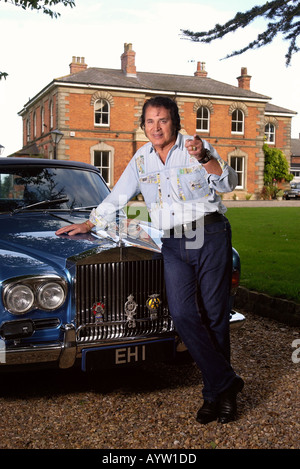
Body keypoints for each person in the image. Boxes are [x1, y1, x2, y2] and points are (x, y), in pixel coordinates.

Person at [56, 96, 244, 424]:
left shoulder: (196, 147)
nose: (156, 127)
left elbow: (227, 184)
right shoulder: (141, 159)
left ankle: (216, 396)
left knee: (215, 316)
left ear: (175, 122)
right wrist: (89, 223)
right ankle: (226, 380)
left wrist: (206, 157)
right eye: (150, 121)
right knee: (184, 315)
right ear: (143, 126)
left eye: (163, 120)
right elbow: (118, 196)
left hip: (209, 234)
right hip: (172, 242)